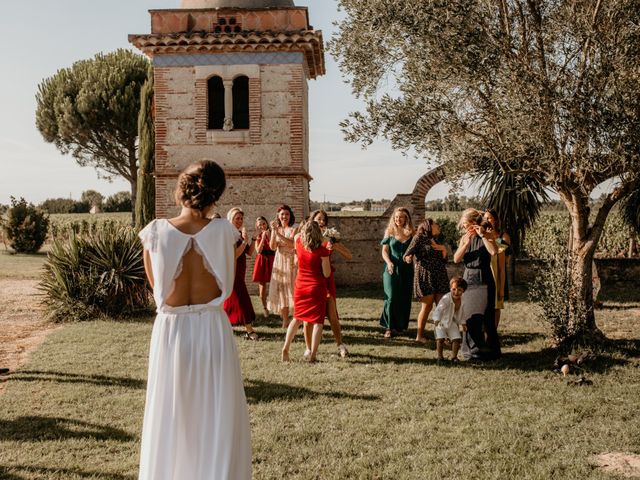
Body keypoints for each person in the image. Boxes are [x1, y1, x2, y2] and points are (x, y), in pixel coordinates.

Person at [137, 161, 251, 480]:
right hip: (212, 329)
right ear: (217, 192)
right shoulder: (225, 232)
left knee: (171, 413)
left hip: (171, 332)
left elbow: (156, 287)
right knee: (217, 414)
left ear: (182, 188)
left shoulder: (155, 233)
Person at [453, 208, 501, 360]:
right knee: (469, 316)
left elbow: (494, 251)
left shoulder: (488, 234)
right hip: (468, 277)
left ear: (474, 223)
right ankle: (471, 351)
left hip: (483, 277)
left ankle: (489, 350)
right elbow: (456, 259)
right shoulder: (465, 238)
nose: (464, 227)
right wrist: (465, 244)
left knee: (486, 317)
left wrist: (484, 235)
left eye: (466, 224)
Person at [281, 221, 332, 363]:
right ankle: (313, 355)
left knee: (297, 318)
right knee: (318, 322)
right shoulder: (323, 251)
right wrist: (325, 240)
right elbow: (327, 274)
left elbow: (297, 235)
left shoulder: (298, 242)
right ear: (319, 234)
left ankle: (286, 348)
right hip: (316, 288)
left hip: (300, 286)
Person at [303, 209, 351, 358]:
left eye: (324, 219)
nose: (322, 222)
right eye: (318, 219)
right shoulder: (305, 237)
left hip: (326, 280)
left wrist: (335, 245)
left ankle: (340, 345)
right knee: (308, 318)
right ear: (312, 221)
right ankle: (308, 348)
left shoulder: (330, 237)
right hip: (310, 280)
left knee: (332, 315)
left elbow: (349, 255)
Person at [403, 218, 449, 344]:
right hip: (425, 276)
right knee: (427, 307)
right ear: (429, 226)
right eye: (435, 224)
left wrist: (443, 249)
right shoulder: (418, 238)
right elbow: (407, 254)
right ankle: (419, 336)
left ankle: (442, 337)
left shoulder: (439, 239)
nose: (438, 225)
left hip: (440, 276)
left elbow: (445, 260)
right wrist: (408, 258)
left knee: (443, 307)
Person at [380, 207, 415, 339]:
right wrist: (389, 262)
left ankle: (400, 326)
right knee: (391, 298)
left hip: (407, 269)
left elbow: (416, 249)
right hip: (391, 268)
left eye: (400, 217)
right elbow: (384, 251)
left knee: (404, 298)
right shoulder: (389, 232)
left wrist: (411, 256)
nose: (398, 220)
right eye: (396, 217)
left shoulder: (411, 233)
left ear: (406, 218)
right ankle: (388, 327)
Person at [225, 207, 258, 340]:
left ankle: (225, 327)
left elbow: (249, 253)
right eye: (237, 218)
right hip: (232, 270)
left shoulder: (237, 233)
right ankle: (249, 330)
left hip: (240, 270)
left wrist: (254, 238)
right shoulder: (229, 234)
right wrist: (244, 241)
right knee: (242, 299)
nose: (239, 221)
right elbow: (234, 255)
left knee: (231, 300)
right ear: (230, 219)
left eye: (241, 218)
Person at [267, 205, 297, 328]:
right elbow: (272, 247)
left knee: (293, 290)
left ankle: (297, 319)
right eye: (282, 214)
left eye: (287, 214)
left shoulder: (294, 229)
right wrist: (274, 231)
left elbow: (293, 244)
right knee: (281, 291)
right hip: (279, 262)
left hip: (291, 262)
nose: (284, 216)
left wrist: (279, 236)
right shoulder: (276, 230)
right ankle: (285, 320)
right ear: (278, 217)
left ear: (290, 216)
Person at [483, 209, 511, 328]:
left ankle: (493, 332)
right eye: (485, 218)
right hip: (484, 272)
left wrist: (493, 236)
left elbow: (505, 253)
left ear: (495, 220)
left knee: (496, 306)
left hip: (498, 273)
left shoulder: (502, 235)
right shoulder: (482, 235)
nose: (487, 220)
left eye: (489, 218)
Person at [432, 277, 468, 363]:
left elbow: (462, 312)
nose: (456, 292)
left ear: (463, 291)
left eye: (459, 290)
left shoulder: (463, 300)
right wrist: (436, 319)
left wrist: (463, 323)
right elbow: (439, 309)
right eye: (454, 289)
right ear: (450, 288)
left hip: (452, 322)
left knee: (457, 339)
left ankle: (454, 357)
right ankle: (440, 357)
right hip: (441, 322)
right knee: (440, 339)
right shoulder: (446, 298)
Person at [252, 216, 274, 317]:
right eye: (259, 225)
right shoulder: (258, 236)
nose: (262, 226)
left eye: (263, 224)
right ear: (257, 226)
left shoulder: (272, 233)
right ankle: (264, 308)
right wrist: (263, 238)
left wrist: (269, 236)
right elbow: (258, 251)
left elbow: (274, 248)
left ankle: (276, 307)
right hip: (261, 260)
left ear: (267, 223)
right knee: (262, 286)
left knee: (276, 284)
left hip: (272, 259)